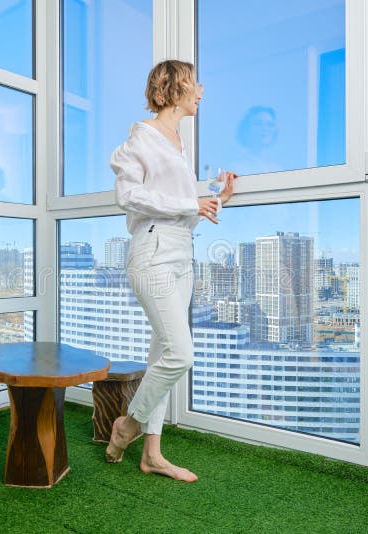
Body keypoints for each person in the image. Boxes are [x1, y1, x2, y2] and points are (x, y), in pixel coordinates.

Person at [107, 59, 237, 482]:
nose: (201, 91)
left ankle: (152, 455)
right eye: (195, 83)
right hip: (153, 253)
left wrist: (219, 198)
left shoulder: (180, 144)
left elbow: (187, 214)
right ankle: (126, 426)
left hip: (182, 254)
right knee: (180, 354)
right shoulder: (142, 137)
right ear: (175, 87)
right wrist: (189, 203)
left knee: (163, 353)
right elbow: (129, 195)